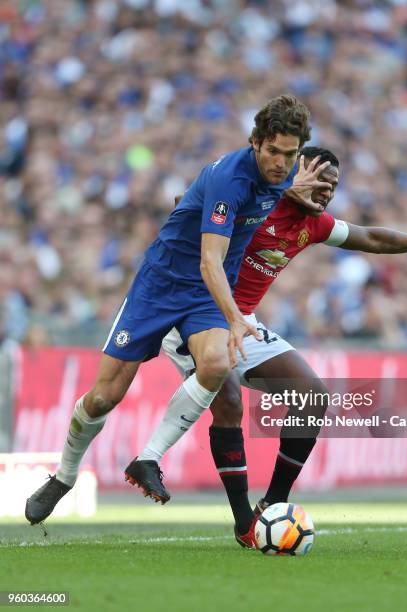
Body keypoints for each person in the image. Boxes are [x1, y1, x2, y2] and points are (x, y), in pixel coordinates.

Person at [130, 146, 407, 547]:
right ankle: (244, 522)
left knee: (311, 394)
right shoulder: (252, 200)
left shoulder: (313, 225)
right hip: (196, 315)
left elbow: (372, 238)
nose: (326, 192)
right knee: (228, 399)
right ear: (290, 174)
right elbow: (189, 206)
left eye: (332, 186)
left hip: (244, 322)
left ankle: (274, 506)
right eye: (319, 181)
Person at [24, 94, 333, 525]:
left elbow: (202, 205)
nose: (282, 163)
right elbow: (209, 260)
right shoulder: (231, 179)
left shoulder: (281, 179)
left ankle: (148, 458)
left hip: (203, 296)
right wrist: (236, 319)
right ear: (255, 143)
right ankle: (64, 476)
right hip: (160, 287)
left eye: (291, 154)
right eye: (274, 152)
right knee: (102, 398)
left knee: (215, 362)